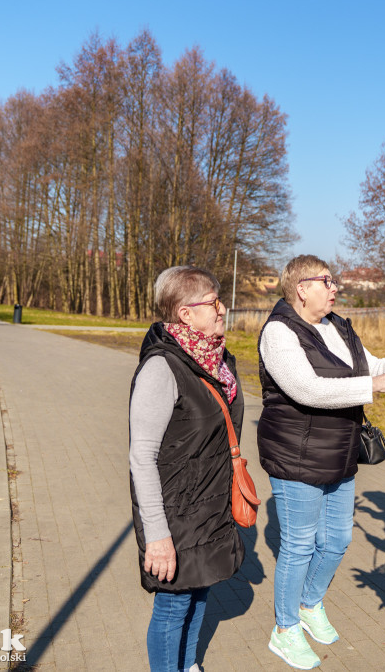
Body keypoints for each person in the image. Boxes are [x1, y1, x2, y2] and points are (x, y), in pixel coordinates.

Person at [258, 254, 385, 670]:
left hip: (340, 453)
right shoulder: (279, 332)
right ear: (302, 288)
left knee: (337, 540)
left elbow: (370, 368)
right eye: (327, 281)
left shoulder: (338, 326)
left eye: (334, 282)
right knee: (296, 545)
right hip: (296, 457)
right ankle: (285, 628)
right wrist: (374, 385)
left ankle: (311, 604)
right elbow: (307, 389)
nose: (335, 288)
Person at [129, 266, 245, 672]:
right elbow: (141, 457)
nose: (222, 309)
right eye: (213, 302)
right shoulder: (162, 368)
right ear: (185, 314)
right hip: (175, 514)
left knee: (199, 594)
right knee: (174, 605)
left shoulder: (217, 362)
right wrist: (157, 537)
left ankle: (188, 665)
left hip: (209, 508)